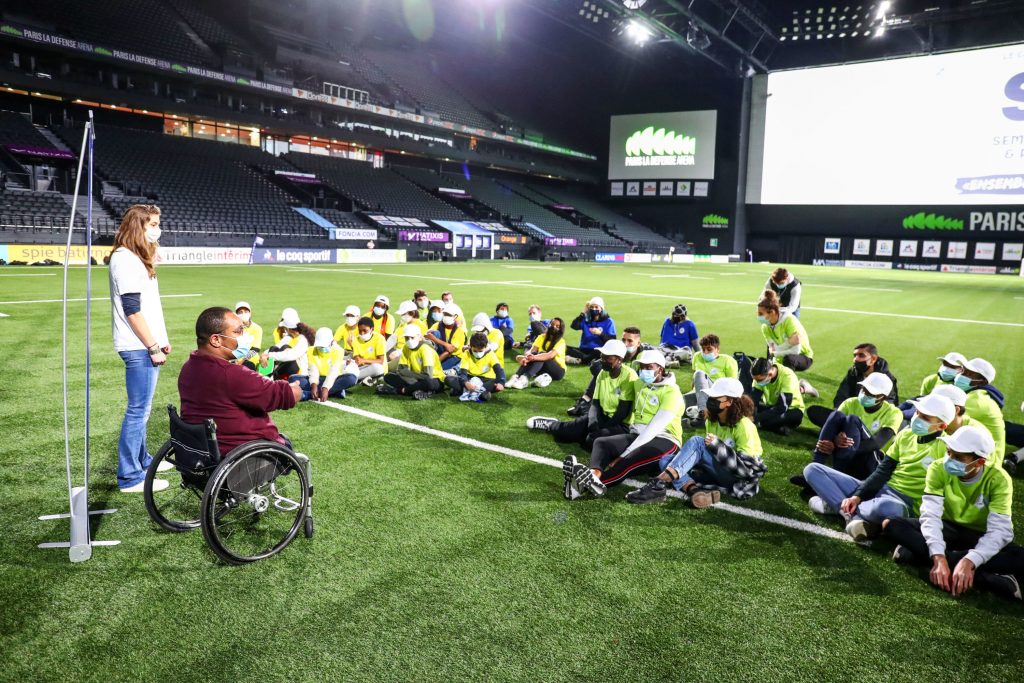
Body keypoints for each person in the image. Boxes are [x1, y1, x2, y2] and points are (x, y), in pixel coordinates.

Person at [883, 425, 1022, 601]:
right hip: (946, 528)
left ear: (979, 462)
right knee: (892, 524)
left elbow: (1000, 531)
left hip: (979, 536)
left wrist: (970, 560)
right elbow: (930, 515)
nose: (949, 459)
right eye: (949, 452)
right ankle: (985, 576)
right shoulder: (938, 468)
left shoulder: (999, 479)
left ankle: (922, 555)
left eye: (958, 457)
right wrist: (939, 557)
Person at [802, 393, 956, 542]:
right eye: (917, 412)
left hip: (902, 504)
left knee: (885, 508)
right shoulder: (906, 435)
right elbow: (883, 471)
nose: (917, 418)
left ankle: (835, 504)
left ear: (942, 426)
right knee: (813, 470)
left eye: (925, 417)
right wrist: (858, 495)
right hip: (879, 489)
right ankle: (851, 516)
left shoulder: (947, 449)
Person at [178, 307, 301, 456]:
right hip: (239, 453)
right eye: (238, 332)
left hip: (199, 452)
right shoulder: (231, 374)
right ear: (216, 339)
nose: (244, 337)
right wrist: (294, 388)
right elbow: (284, 395)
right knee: (287, 445)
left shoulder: (188, 368)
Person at [108, 204, 171, 492]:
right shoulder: (126, 260)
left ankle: (143, 460)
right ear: (139, 226)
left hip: (145, 344)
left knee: (142, 410)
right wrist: (153, 345)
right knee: (137, 411)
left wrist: (161, 338)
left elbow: (148, 307)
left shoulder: (136, 257)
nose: (158, 229)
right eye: (153, 224)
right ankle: (130, 476)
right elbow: (132, 310)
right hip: (138, 347)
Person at [626, 377, 766, 507]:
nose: (710, 400)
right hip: (714, 473)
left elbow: (747, 471)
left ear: (729, 402)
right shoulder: (712, 421)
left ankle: (657, 484)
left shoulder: (744, 426)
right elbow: (708, 455)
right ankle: (694, 492)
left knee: (698, 442)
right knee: (666, 460)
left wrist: (719, 447)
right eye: (710, 397)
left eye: (715, 397)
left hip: (737, 480)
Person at [565, 350, 685, 499]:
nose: (644, 371)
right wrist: (601, 369)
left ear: (660, 369)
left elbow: (653, 429)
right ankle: (592, 475)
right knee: (601, 443)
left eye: (649, 367)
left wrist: (624, 454)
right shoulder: (640, 383)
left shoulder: (672, 393)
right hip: (638, 434)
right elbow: (620, 377)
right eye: (642, 367)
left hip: (666, 439)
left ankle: (592, 484)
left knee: (628, 460)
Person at [793, 373, 902, 486]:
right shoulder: (851, 402)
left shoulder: (893, 413)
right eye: (864, 390)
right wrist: (834, 440)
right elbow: (831, 427)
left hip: (871, 462)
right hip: (847, 454)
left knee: (852, 419)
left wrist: (839, 446)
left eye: (871, 393)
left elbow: (877, 443)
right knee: (836, 416)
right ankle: (816, 464)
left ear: (883, 397)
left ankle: (834, 476)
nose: (865, 394)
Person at [527, 339, 636, 450]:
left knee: (591, 443)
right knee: (566, 433)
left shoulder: (629, 376)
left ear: (619, 359)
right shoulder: (603, 373)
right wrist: (593, 422)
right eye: (602, 356)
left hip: (621, 424)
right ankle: (551, 424)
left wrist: (601, 428)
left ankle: (584, 435)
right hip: (602, 416)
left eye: (608, 358)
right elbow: (595, 403)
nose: (603, 360)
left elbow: (622, 413)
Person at [567, 326, 653, 417]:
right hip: (618, 386)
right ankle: (585, 400)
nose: (625, 344)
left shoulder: (646, 356)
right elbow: (596, 366)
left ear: (638, 343)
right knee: (602, 370)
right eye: (623, 340)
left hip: (636, 388)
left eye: (630, 341)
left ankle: (592, 405)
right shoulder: (618, 351)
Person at [806, 343, 899, 427]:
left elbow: (890, 403)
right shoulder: (853, 372)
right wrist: (839, 414)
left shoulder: (886, 379)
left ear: (873, 359)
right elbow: (842, 394)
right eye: (855, 355)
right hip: (849, 415)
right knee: (814, 411)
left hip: (873, 422)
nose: (856, 359)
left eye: (861, 355)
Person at [954, 357, 1009, 471]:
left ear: (982, 381)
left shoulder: (976, 400)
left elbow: (941, 417)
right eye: (963, 371)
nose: (962, 375)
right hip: (976, 452)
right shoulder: (975, 394)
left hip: (986, 462)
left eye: (969, 374)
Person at [757, 290, 814, 380]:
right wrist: (788, 343)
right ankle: (803, 387)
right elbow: (772, 349)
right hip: (781, 357)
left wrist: (777, 352)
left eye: (760, 313)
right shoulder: (765, 327)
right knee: (766, 374)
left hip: (803, 357)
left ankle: (790, 388)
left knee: (789, 360)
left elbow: (796, 351)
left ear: (772, 312)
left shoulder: (789, 320)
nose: (758, 316)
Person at [378, 325, 445, 399]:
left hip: (434, 379)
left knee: (428, 383)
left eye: (412, 337)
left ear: (419, 337)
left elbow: (428, 375)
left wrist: (408, 373)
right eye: (407, 338)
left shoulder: (426, 349)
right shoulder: (406, 348)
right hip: (416, 379)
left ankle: (401, 390)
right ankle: (419, 390)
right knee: (388, 377)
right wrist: (409, 375)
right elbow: (400, 370)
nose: (409, 340)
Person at [749, 357, 805, 435]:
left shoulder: (788, 376)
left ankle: (781, 426)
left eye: (759, 380)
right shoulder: (760, 376)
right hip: (772, 407)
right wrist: (747, 413)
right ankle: (780, 428)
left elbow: (782, 407)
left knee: (765, 421)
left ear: (770, 374)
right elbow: (753, 398)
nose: (756, 382)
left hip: (791, 409)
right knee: (752, 409)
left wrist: (755, 418)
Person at [507, 317, 567, 389]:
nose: (553, 327)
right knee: (535, 355)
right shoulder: (541, 337)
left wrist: (533, 357)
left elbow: (550, 355)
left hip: (558, 371)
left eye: (557, 326)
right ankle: (516, 377)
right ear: (549, 325)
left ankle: (525, 379)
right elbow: (532, 351)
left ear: (561, 329)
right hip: (542, 367)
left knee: (540, 355)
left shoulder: (561, 341)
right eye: (552, 324)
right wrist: (527, 357)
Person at [445, 331, 507, 401]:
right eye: (475, 351)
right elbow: (463, 373)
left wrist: (501, 383)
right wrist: (466, 383)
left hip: (485, 380)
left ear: (486, 347)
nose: (477, 353)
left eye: (480, 351)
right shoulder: (467, 353)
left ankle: (464, 391)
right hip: (469, 378)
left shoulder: (490, 354)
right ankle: (480, 392)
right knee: (448, 379)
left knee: (496, 383)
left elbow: (499, 371)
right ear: (470, 346)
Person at [294, 327, 347, 401]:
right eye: (320, 346)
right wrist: (313, 385)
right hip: (319, 379)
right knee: (293, 378)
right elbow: (313, 370)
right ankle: (335, 391)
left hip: (333, 379)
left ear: (331, 342)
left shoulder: (338, 351)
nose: (321, 348)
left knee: (351, 378)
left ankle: (310, 394)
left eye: (323, 346)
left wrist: (326, 388)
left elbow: (334, 371)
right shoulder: (311, 350)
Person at [263, 308, 315, 381]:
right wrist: (264, 355)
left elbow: (291, 355)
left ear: (288, 328)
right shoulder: (289, 337)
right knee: (273, 348)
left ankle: (268, 379)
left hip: (302, 374)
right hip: (290, 368)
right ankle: (267, 378)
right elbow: (276, 347)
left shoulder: (303, 340)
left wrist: (270, 355)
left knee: (285, 349)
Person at [339, 316, 388, 389]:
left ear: (372, 329)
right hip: (362, 367)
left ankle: (347, 377)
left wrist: (363, 361)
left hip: (375, 367)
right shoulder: (356, 340)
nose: (362, 333)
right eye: (360, 330)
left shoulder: (379, 338)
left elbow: (380, 361)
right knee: (342, 363)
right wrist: (353, 362)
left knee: (377, 368)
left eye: (365, 330)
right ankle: (355, 377)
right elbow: (357, 359)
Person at [567, 296, 616, 365]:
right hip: (583, 349)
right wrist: (583, 313)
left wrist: (600, 334)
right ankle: (586, 360)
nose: (593, 309)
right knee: (565, 347)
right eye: (591, 307)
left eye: (596, 307)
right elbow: (574, 326)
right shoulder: (586, 319)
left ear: (601, 308)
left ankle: (580, 360)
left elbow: (612, 340)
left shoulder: (608, 321)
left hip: (598, 350)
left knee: (599, 353)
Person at [388, 300, 428, 369]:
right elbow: (392, 339)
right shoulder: (402, 325)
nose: (401, 316)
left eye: (403, 314)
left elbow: (418, 345)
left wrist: (399, 352)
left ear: (412, 313)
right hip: (395, 353)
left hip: (409, 354)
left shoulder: (421, 326)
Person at [425, 303, 466, 371]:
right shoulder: (438, 325)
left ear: (455, 316)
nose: (446, 316)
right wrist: (446, 344)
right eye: (445, 314)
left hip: (454, 356)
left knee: (438, 370)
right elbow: (426, 335)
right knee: (435, 333)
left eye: (449, 315)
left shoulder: (460, 331)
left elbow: (450, 350)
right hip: (441, 351)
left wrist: (435, 362)